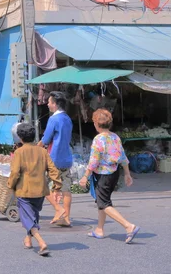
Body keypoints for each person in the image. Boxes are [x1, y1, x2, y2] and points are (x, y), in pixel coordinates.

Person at [79, 109, 140, 243]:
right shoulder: (115, 137)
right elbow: (123, 157)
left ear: (96, 124)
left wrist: (85, 176)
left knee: (104, 203)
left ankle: (128, 226)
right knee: (102, 201)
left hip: (103, 175)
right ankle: (99, 229)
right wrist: (127, 174)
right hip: (114, 173)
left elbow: (93, 161)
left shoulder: (98, 139)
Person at [8, 123, 62, 257]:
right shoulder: (42, 151)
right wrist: (57, 186)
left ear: (20, 138)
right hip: (40, 191)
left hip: (24, 191)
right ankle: (28, 240)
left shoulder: (19, 152)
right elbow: (53, 170)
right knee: (32, 216)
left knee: (27, 218)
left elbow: (15, 173)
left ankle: (41, 242)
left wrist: (10, 185)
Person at [37, 91, 74, 227]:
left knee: (41, 185)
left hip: (53, 158)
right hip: (66, 158)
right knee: (66, 188)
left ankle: (59, 210)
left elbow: (46, 139)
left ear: (55, 104)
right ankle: (66, 218)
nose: (47, 104)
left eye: (49, 102)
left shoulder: (53, 119)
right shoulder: (67, 118)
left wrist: (36, 147)